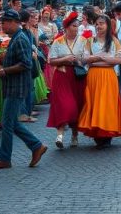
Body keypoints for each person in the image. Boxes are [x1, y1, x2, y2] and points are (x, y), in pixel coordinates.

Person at [0, 11, 47, 171]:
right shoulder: (17, 37)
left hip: (16, 86)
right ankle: (35, 146)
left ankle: (5, 158)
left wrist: (4, 71)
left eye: (4, 23)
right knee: (10, 122)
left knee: (7, 122)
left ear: (13, 22)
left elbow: (26, 64)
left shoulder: (19, 39)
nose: (2, 26)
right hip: (14, 85)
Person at [77, 14, 121, 148]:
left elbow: (118, 60)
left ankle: (108, 132)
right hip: (94, 76)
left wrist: (99, 59)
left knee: (108, 104)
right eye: (97, 24)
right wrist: (105, 58)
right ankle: (97, 133)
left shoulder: (114, 41)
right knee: (94, 103)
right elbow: (84, 59)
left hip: (109, 76)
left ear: (107, 25)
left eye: (101, 23)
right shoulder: (89, 41)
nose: (98, 26)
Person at [46, 14, 86, 149]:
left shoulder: (83, 41)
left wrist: (78, 60)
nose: (77, 29)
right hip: (62, 76)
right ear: (67, 28)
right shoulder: (58, 41)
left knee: (77, 105)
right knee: (64, 105)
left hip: (77, 76)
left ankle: (75, 135)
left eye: (78, 26)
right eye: (74, 26)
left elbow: (87, 58)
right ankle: (60, 135)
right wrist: (65, 59)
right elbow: (51, 60)